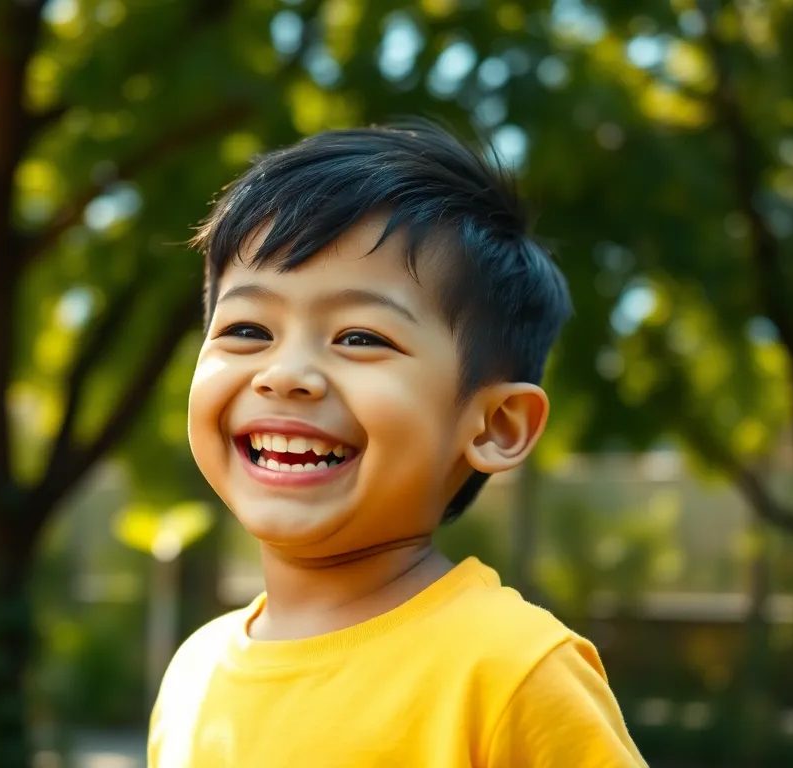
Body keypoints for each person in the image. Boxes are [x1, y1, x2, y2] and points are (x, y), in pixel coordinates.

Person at [148, 119, 646, 767]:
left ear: (497, 426)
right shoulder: (193, 673)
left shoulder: (510, 673)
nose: (285, 375)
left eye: (359, 338)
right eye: (248, 328)